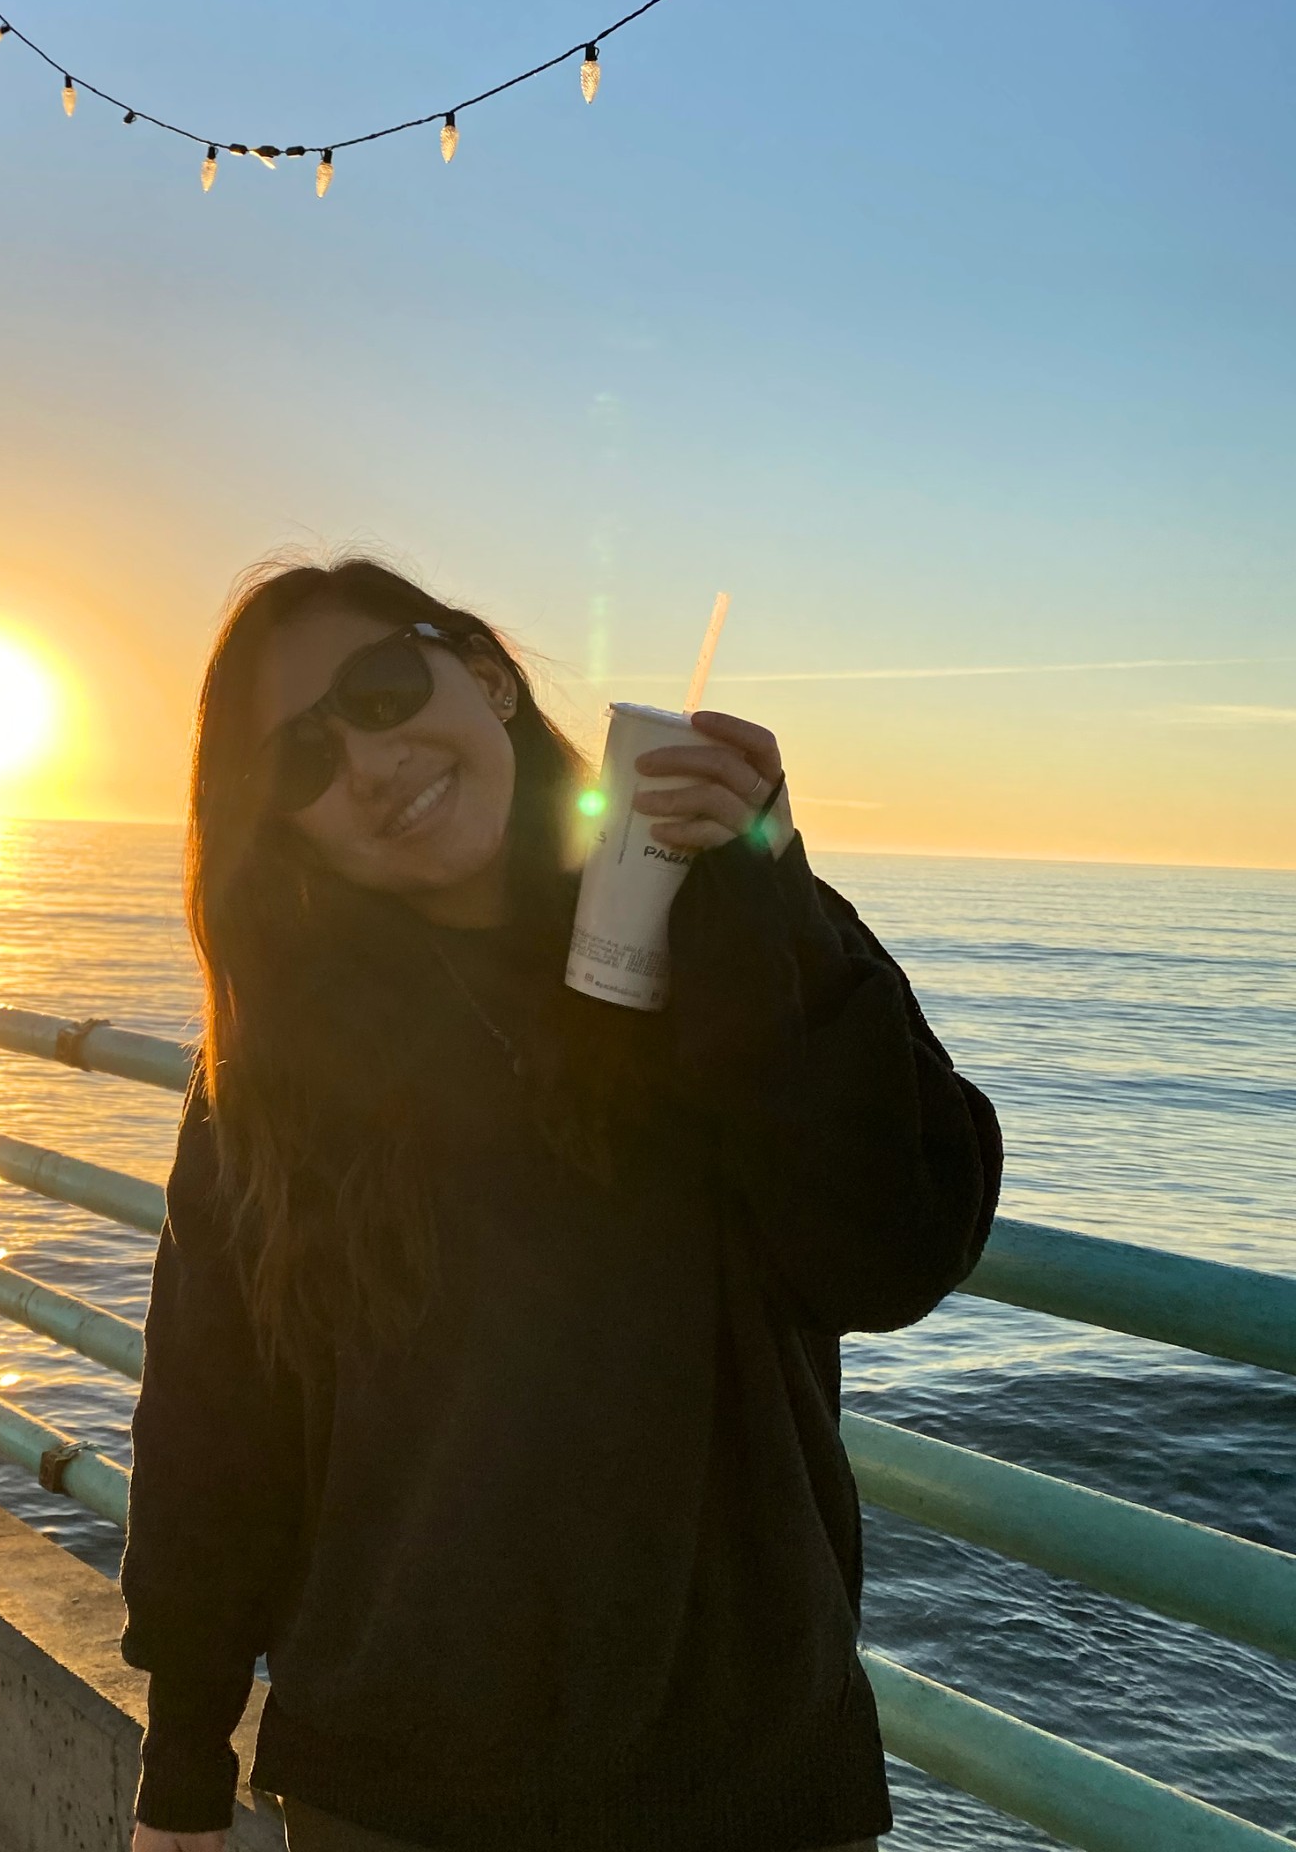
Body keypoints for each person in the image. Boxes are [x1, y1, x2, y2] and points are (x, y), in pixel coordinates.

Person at [120, 556, 1002, 1852]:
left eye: (381, 689)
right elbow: (214, 1420)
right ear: (285, 825)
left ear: (485, 674)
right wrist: (182, 1764)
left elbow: (899, 1249)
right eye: (301, 759)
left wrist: (763, 888)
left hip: (746, 1787)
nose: (367, 762)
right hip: (395, 1793)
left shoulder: (736, 925)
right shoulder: (280, 1069)